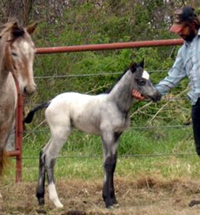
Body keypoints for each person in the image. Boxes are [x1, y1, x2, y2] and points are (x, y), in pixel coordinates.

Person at [132, 6, 200, 155]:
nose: (179, 33)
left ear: (192, 24)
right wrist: (148, 93)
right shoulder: (184, 51)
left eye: (182, 29)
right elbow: (172, 78)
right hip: (197, 102)